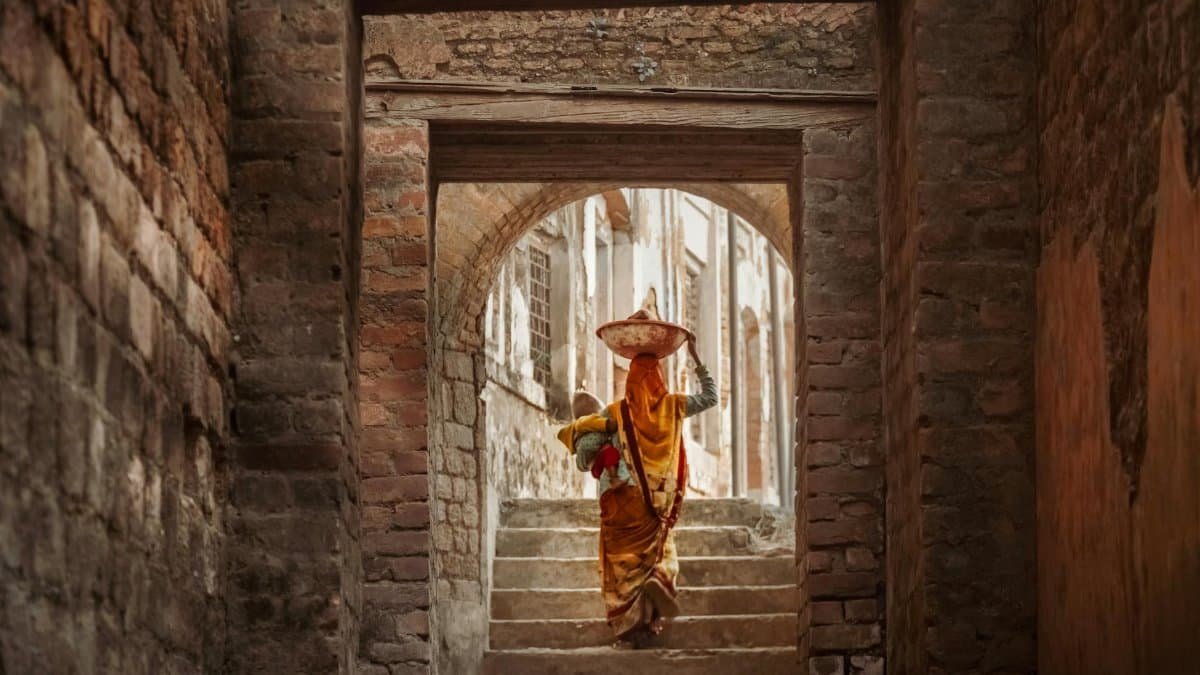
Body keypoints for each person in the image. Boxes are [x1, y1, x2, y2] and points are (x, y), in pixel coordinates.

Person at [562, 334, 717, 648]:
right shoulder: (674, 406)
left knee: (623, 568)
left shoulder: (616, 413)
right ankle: (654, 602)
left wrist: (582, 433)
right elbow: (711, 397)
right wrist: (697, 359)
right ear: (659, 379)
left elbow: (584, 455)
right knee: (657, 557)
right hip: (652, 502)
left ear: (630, 380)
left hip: (618, 502)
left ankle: (630, 629)